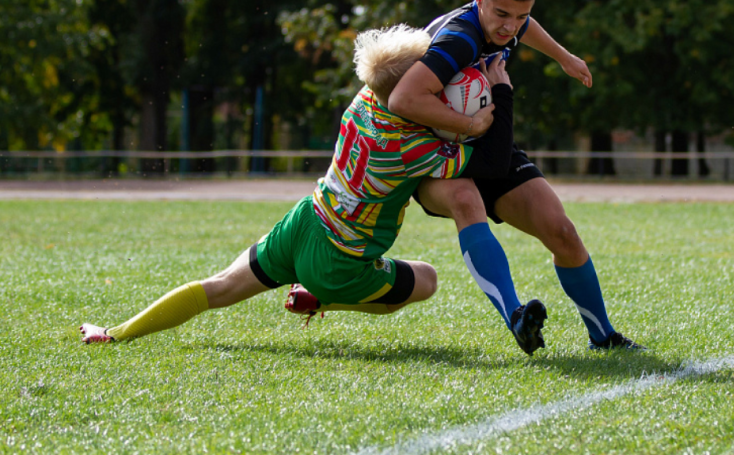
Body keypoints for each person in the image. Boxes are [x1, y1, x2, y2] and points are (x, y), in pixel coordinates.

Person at [81, 24, 547, 355]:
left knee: (218, 287)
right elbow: (489, 162)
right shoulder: (412, 147)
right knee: (426, 279)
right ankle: (321, 295)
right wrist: (495, 100)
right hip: (340, 261)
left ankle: (114, 333)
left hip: (304, 222)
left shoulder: (366, 99)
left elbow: (406, 90)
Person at [388, 0, 643, 351]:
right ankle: (516, 317)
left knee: (562, 231)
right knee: (465, 199)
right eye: (502, 14)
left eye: (520, 15)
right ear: (480, 0)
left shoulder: (508, 19)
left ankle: (603, 337)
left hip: (485, 140)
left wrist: (563, 57)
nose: (510, 26)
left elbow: (523, 25)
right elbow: (402, 98)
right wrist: (467, 124)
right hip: (434, 151)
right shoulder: (460, 39)